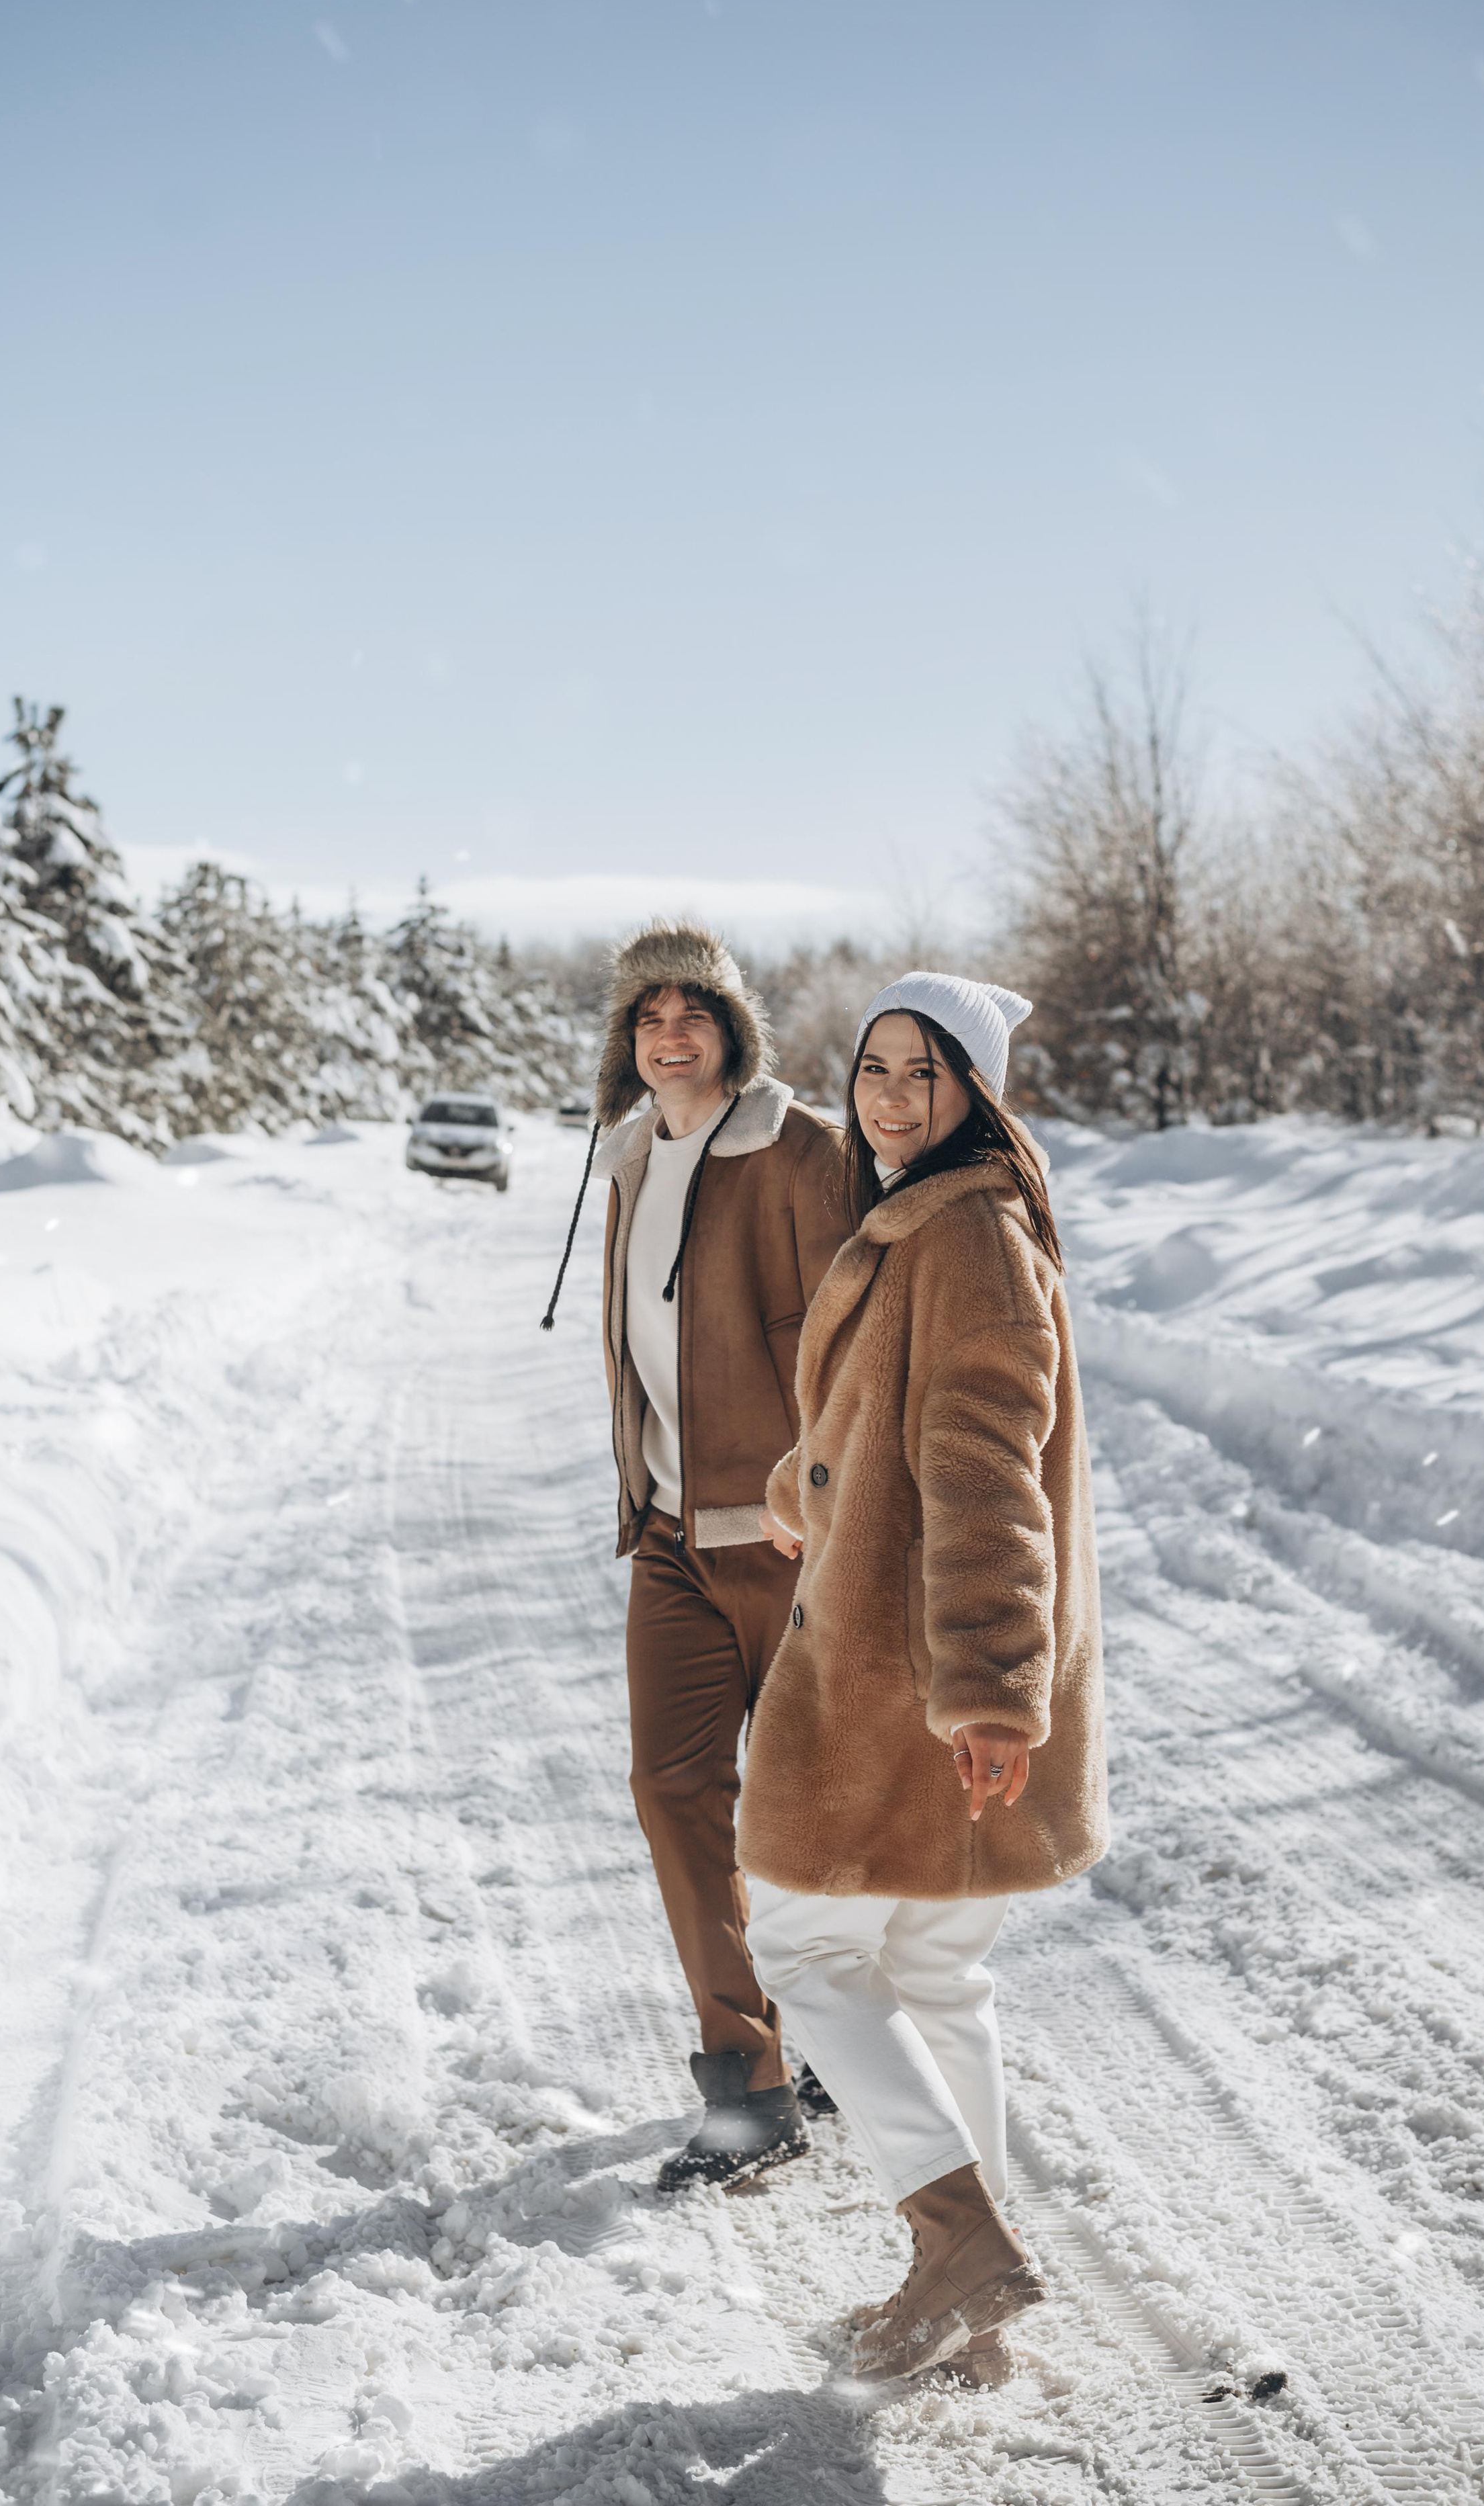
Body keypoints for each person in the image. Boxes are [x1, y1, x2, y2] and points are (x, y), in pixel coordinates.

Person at [738, 969, 1107, 2384]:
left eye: (923, 1073)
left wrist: (993, 1686)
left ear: (975, 1094)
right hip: (935, 1661)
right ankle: (977, 2312)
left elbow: (979, 1468)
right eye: (874, 1068)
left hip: (907, 1670)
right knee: (938, 1973)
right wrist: (800, 1478)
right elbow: (880, 1421)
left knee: (807, 1948)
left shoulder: (963, 1233)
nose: (889, 1096)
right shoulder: (943, 1218)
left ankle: (952, 2239)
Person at [541, 921, 849, 2190]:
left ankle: (836, 2032)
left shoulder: (798, 1150)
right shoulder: (623, 1161)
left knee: (806, 1809)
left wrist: (831, 1506)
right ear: (628, 1042)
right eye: (647, 1017)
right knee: (674, 1794)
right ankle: (747, 2083)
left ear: (733, 1029)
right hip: (667, 1537)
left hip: (786, 1536)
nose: (671, 1035)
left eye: (694, 1012)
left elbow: (852, 1348)